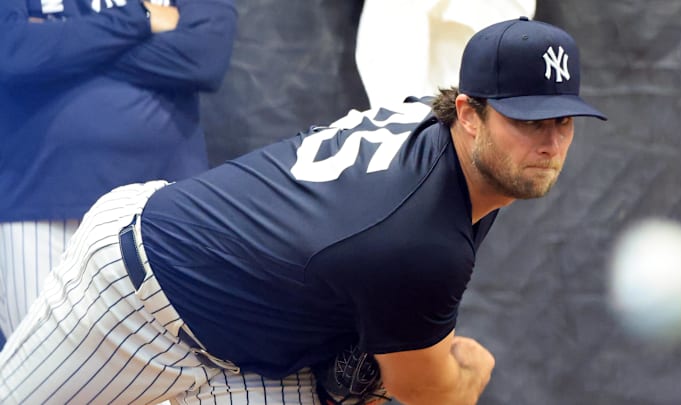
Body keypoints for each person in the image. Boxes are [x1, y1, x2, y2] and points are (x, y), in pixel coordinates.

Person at [0, 17, 606, 404]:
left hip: (255, 356)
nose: (549, 142)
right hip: (134, 293)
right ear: (470, 112)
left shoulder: (443, 126)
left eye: (561, 120)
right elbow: (429, 392)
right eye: (525, 119)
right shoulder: (422, 238)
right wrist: (469, 368)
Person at [0, 0, 238, 347]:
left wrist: (62, 50)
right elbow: (12, 50)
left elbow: (205, 57)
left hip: (160, 206)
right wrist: (138, 18)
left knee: (165, 379)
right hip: (38, 198)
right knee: (41, 379)